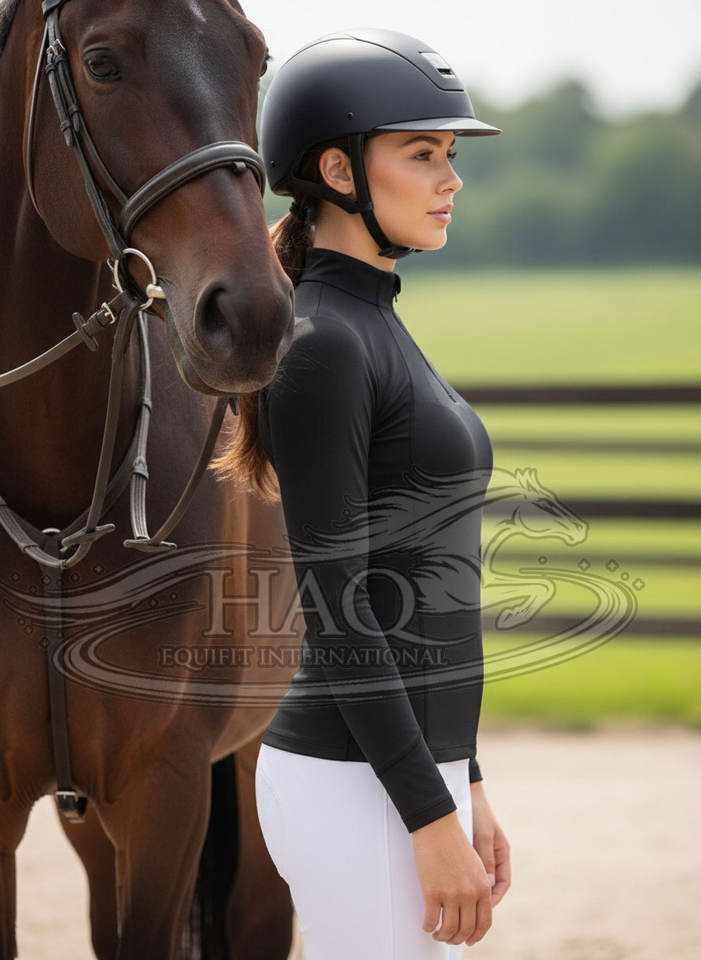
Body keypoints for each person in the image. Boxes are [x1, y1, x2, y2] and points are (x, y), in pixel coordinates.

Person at [250, 27, 511, 959]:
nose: (450, 180)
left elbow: (430, 588)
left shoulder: (374, 324)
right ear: (338, 169)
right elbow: (341, 606)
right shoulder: (324, 342)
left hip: (403, 775)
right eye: (422, 154)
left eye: (449, 157)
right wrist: (428, 815)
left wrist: (464, 779)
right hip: (351, 781)